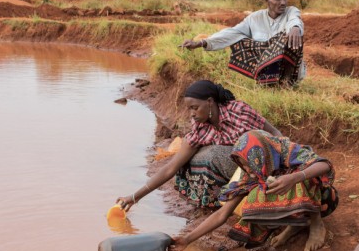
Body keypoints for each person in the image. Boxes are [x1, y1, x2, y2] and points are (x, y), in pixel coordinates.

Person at [116, 80, 281, 210]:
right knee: (194, 159)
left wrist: (286, 158)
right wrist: (134, 197)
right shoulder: (201, 130)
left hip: (267, 163)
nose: (192, 114)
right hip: (244, 174)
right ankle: (221, 199)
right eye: (189, 109)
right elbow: (170, 168)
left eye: (195, 108)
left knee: (215, 153)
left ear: (210, 102)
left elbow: (275, 133)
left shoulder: (238, 111)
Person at [169, 130, 339, 251]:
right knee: (254, 197)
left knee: (300, 176)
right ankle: (293, 226)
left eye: (249, 164)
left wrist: (294, 178)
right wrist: (187, 239)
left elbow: (324, 165)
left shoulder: (285, 150)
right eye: (244, 165)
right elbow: (222, 214)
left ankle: (316, 223)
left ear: (260, 154)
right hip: (296, 204)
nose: (249, 171)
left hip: (323, 200)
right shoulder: (250, 173)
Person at [180, 0, 305, 86]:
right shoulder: (255, 18)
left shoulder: (291, 12)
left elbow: (295, 19)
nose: (283, 2)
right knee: (238, 38)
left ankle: (286, 83)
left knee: (287, 38)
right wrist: (201, 42)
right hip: (264, 69)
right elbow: (232, 32)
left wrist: (295, 27)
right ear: (267, 0)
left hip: (289, 72)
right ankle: (265, 80)